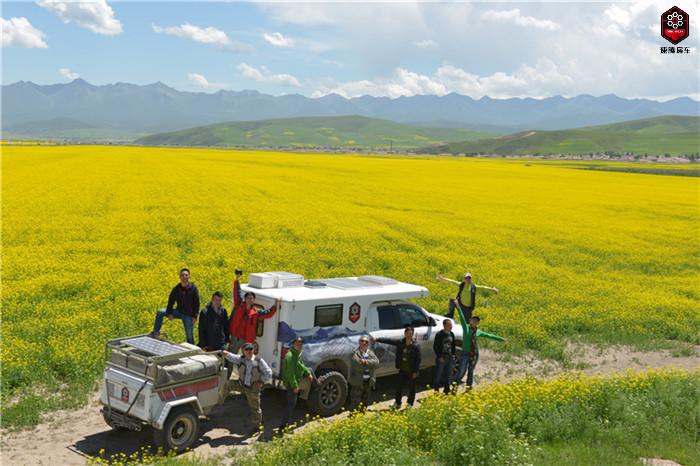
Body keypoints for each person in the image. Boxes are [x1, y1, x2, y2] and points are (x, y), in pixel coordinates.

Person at [221, 343, 272, 434]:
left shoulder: (259, 361)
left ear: (253, 350)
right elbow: (231, 356)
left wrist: (261, 382)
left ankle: (257, 427)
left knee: (255, 409)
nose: (249, 351)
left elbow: (269, 372)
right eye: (247, 349)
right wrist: (224, 352)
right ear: (243, 351)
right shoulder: (240, 359)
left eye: (250, 349)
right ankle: (219, 401)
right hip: (241, 385)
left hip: (252, 389)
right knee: (228, 384)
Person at [453, 309, 506, 391]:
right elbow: (462, 316)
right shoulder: (466, 327)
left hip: (474, 354)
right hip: (465, 352)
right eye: (474, 320)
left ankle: (468, 388)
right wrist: (458, 307)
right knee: (461, 370)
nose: (475, 321)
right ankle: (455, 387)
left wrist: (502, 339)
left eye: (476, 320)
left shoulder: (478, 331)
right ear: (470, 321)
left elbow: (489, 335)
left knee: (471, 370)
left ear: (478, 323)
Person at [376, 327, 421, 409]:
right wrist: (377, 339)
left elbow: (418, 360)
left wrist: (416, 371)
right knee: (398, 387)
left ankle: (410, 403)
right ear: (405, 333)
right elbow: (389, 340)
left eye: (411, 333)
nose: (409, 335)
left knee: (412, 388)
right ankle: (398, 403)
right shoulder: (400, 342)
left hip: (411, 371)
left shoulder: (416, 346)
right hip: (402, 370)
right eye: (407, 333)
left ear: (413, 334)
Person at [151, 268, 200, 344]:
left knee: (189, 336)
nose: (184, 277)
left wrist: (195, 316)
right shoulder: (176, 289)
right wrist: (169, 313)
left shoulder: (193, 288)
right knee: (160, 312)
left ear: (189, 277)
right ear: (180, 277)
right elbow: (171, 302)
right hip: (179, 312)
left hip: (189, 315)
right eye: (182, 275)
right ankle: (156, 332)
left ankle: (192, 352)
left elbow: (197, 303)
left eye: (186, 275)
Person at [278, 337, 313, 435]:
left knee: (310, 370)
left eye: (301, 344)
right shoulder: (290, 356)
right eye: (297, 343)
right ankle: (282, 428)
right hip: (291, 383)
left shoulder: (297, 354)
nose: (299, 345)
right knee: (291, 405)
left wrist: (308, 373)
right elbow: (290, 373)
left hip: (295, 381)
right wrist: (294, 386)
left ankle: (284, 426)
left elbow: (302, 365)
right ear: (293, 345)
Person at [348, 335, 379, 412]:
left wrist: (365, 362)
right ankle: (352, 419)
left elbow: (377, 362)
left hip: (368, 382)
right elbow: (357, 366)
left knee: (365, 401)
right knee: (355, 402)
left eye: (366, 342)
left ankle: (361, 417)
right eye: (362, 341)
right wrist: (370, 365)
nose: (364, 343)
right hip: (358, 383)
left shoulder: (370, 353)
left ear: (368, 344)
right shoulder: (354, 353)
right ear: (359, 343)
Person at [432, 319, 455, 394]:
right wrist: (439, 357)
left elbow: (453, 346)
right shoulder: (439, 334)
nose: (450, 326)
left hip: (450, 357)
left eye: (451, 325)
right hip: (442, 357)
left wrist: (453, 355)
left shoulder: (452, 334)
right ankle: (436, 390)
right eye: (449, 325)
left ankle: (446, 389)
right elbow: (435, 346)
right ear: (444, 325)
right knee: (438, 374)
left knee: (447, 374)